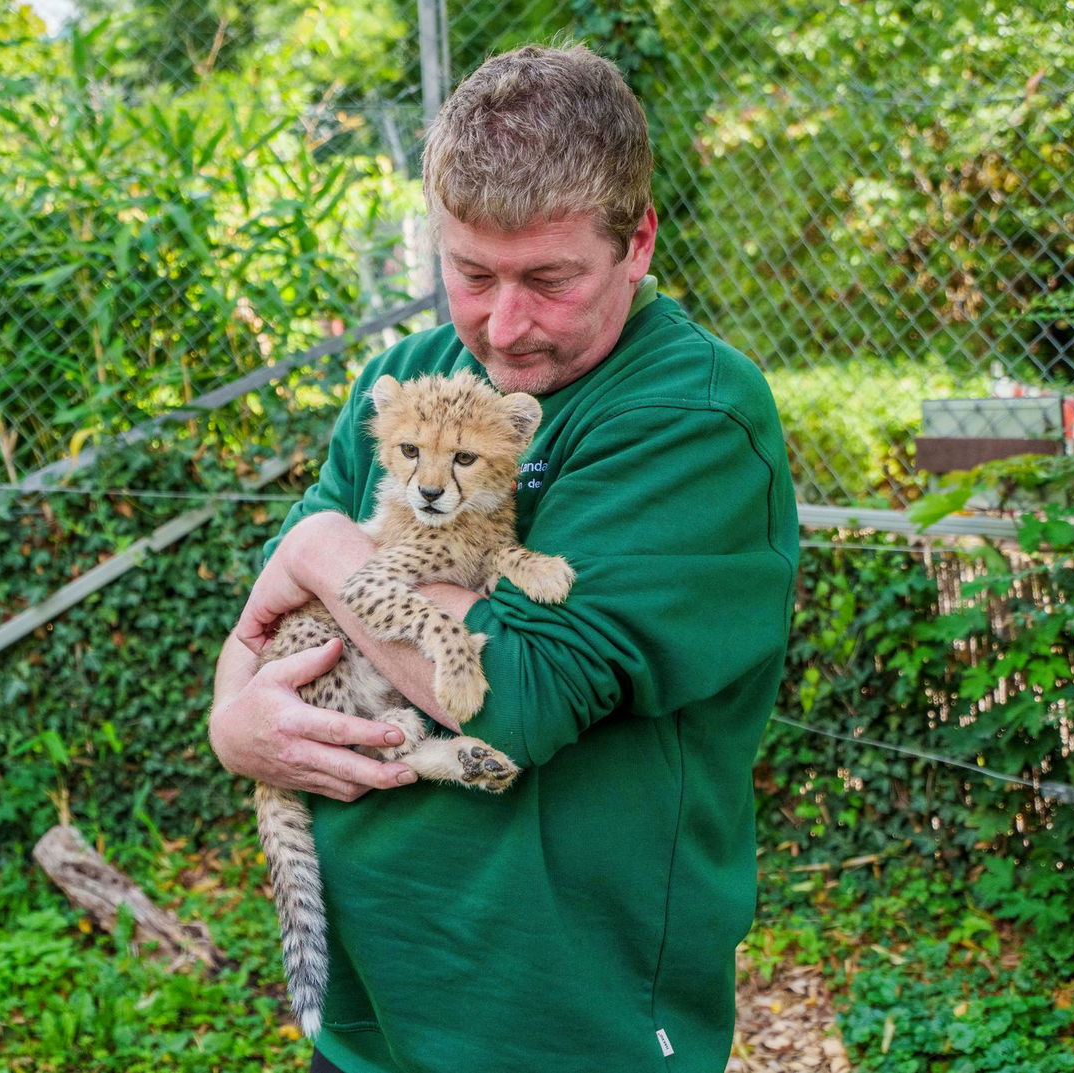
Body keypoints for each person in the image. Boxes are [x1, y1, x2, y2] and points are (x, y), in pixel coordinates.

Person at [209, 43, 799, 1073]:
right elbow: (261, 628)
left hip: (560, 1019)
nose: (503, 323)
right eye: (469, 273)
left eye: (549, 279)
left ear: (638, 241)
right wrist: (234, 723)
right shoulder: (403, 378)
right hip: (370, 1011)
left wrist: (321, 544)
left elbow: (512, 695)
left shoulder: (690, 415)